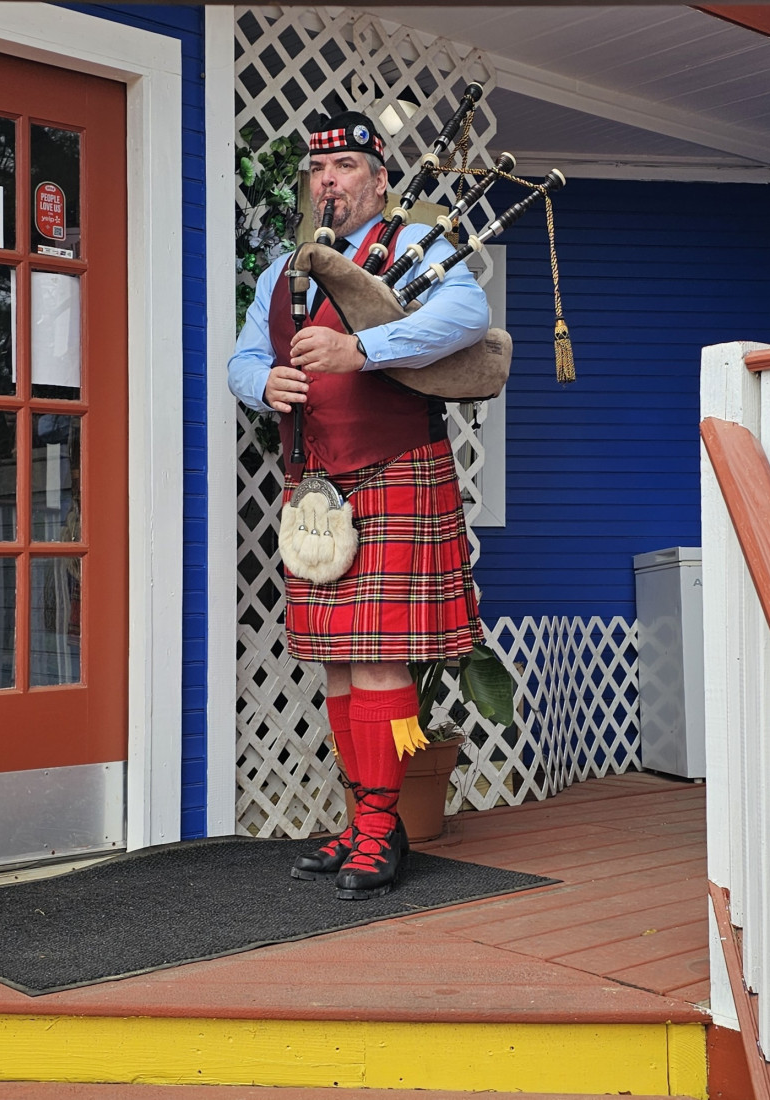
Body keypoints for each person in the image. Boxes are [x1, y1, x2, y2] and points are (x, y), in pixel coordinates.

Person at [228, 109, 489, 900]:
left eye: (343, 169)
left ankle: (383, 827)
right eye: (318, 171)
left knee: (376, 656)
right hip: (317, 488)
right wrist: (260, 383)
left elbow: (466, 315)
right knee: (339, 661)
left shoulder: (413, 247)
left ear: (378, 181)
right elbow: (244, 355)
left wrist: (360, 349)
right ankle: (363, 817)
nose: (328, 182)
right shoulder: (284, 270)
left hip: (395, 468)